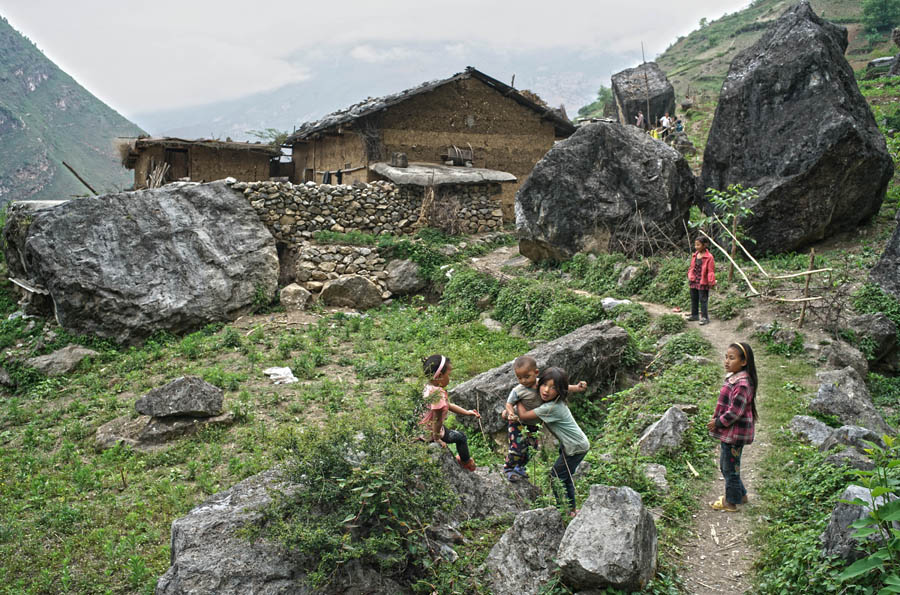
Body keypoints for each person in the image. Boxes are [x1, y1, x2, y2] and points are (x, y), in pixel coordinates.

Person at [515, 367, 589, 516]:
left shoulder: (551, 408)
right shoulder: (554, 399)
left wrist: (517, 400)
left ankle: (564, 511)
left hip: (575, 447)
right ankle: (571, 510)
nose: (546, 390)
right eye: (544, 385)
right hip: (574, 444)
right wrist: (576, 387)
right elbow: (538, 383)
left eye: (553, 388)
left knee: (556, 477)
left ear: (559, 390)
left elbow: (523, 416)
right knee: (565, 477)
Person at [501, 356, 587, 482]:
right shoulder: (518, 390)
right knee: (517, 448)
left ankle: (519, 467)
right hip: (518, 423)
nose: (523, 381)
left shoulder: (540, 383)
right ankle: (509, 468)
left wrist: (576, 388)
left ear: (536, 373)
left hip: (533, 425)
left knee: (531, 449)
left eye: (527, 377)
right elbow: (509, 404)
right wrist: (509, 412)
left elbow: (560, 386)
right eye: (519, 378)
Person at [707, 342, 758, 512]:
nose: (727, 361)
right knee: (729, 466)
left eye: (732, 358)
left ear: (744, 362)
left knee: (729, 468)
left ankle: (731, 502)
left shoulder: (742, 384)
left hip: (734, 434)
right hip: (731, 433)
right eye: (726, 357)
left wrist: (718, 422)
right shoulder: (736, 379)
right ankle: (741, 495)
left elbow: (735, 412)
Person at [420, 354, 481, 471]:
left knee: (452, 432)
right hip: (430, 431)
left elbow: (449, 405)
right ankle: (466, 462)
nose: (450, 378)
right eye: (449, 375)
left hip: (423, 427)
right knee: (461, 437)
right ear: (440, 376)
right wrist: (437, 438)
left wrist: (467, 412)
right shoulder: (436, 395)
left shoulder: (429, 387)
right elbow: (437, 420)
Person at [687, 236, 716, 325]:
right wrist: (690, 275)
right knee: (694, 297)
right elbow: (692, 267)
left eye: (698, 245)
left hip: (703, 281)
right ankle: (694, 315)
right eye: (695, 245)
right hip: (694, 280)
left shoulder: (709, 257)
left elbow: (711, 271)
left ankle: (704, 317)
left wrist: (711, 281)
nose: (696, 247)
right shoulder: (695, 255)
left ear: (704, 245)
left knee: (703, 299)